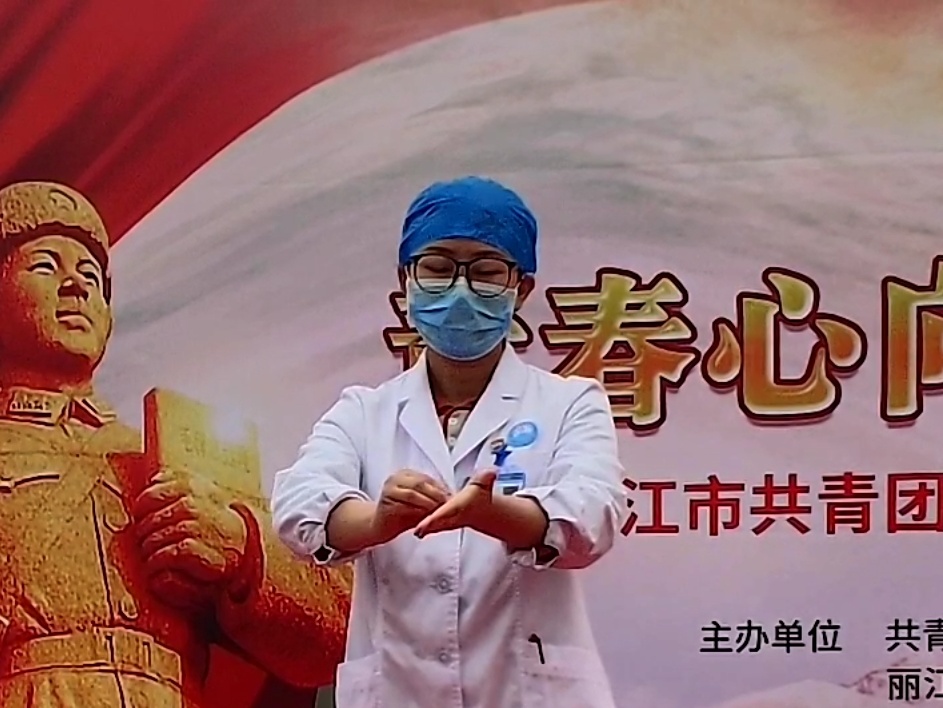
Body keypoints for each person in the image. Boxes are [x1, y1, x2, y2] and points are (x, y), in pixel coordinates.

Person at [272, 176, 627, 708]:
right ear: (406, 280)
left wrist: (495, 514)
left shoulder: (571, 402)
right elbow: (298, 507)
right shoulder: (363, 412)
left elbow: (593, 515)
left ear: (521, 288)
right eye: (438, 268)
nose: (460, 290)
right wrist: (376, 522)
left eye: (486, 272)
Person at [0, 181, 352, 707]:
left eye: (91, 277)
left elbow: (339, 635)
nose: (76, 286)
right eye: (45, 266)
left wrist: (243, 549)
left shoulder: (173, 453)